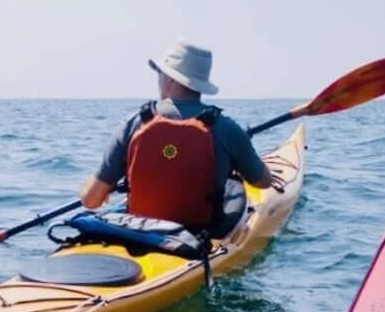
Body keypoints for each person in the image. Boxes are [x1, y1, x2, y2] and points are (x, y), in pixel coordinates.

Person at [79, 42, 274, 235]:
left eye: (160, 73)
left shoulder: (133, 124)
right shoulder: (227, 128)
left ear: (171, 79)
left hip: (140, 231)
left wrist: (95, 184)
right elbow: (263, 182)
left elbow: (91, 200)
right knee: (235, 188)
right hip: (200, 235)